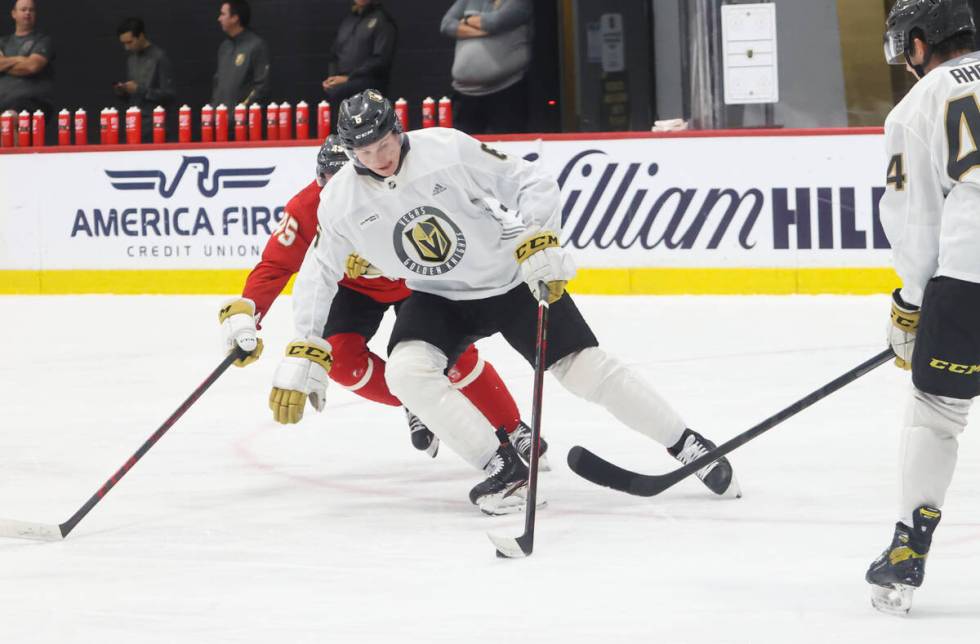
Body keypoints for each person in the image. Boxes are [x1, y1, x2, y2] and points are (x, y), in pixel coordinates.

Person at [267, 90, 740, 515]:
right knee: (406, 372)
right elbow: (319, 271)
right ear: (350, 153)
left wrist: (540, 241)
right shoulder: (341, 199)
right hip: (438, 297)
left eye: (385, 145)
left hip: (508, 280)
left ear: (397, 129)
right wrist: (307, 344)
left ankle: (689, 445)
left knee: (584, 370)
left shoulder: (446, 148)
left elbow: (528, 181)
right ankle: (505, 469)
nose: (380, 158)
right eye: (366, 153)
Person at [220, 135, 544, 471]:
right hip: (355, 292)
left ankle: (511, 426)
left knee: (454, 356)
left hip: (416, 281)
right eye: (328, 183)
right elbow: (275, 266)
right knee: (341, 360)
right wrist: (248, 315)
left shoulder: (404, 185)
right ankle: (414, 401)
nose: (339, 192)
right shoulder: (306, 208)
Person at [865, 0, 980, 616]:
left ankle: (908, 551)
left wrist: (910, 306)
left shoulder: (917, 105)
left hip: (971, 273)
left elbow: (915, 223)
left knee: (937, 411)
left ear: (918, 44)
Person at [439, 0, 531, 135]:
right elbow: (446, 25)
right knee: (465, 148)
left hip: (505, 91)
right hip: (465, 94)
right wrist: (483, 31)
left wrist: (464, 21)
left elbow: (495, 23)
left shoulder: (519, 3)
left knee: (506, 149)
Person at [322, 0, 396, 105]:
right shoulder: (348, 20)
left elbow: (381, 59)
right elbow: (334, 54)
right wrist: (332, 77)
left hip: (369, 82)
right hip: (343, 80)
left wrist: (349, 78)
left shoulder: (383, 20)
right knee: (332, 91)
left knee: (340, 91)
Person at [114, 17, 175, 142]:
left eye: (130, 42)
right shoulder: (131, 60)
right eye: (124, 43)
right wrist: (123, 92)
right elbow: (134, 98)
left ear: (141, 36)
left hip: (156, 128)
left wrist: (139, 90)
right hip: (134, 125)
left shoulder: (159, 58)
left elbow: (169, 96)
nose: (126, 47)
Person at [0, 0, 53, 138]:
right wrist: (20, 59)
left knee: (9, 119)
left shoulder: (42, 40)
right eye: (23, 9)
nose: (27, 13)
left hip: (32, 104)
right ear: (14, 14)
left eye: (31, 10)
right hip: (3, 102)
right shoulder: (3, 42)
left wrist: (5, 63)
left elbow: (32, 66)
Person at [212, 0, 270, 109]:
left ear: (235, 18)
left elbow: (261, 87)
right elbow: (217, 85)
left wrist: (240, 112)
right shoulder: (224, 47)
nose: (219, 18)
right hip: (220, 121)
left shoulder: (256, 46)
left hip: (243, 122)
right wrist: (214, 110)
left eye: (223, 14)